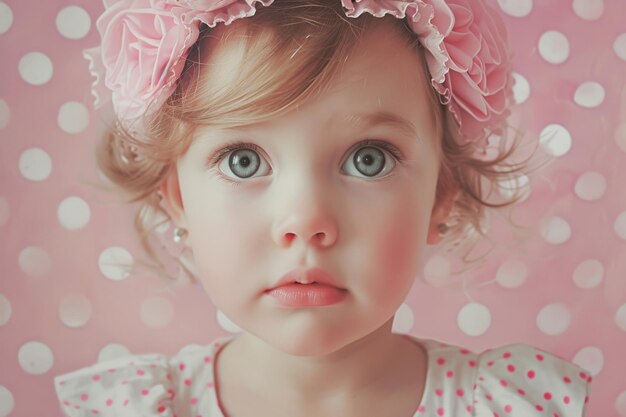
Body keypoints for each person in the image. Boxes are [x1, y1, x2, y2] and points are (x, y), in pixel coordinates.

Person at [54, 0, 592, 416]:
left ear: (441, 194)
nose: (306, 221)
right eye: (243, 160)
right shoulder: (135, 407)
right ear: (177, 200)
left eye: (368, 159)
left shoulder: (508, 405)